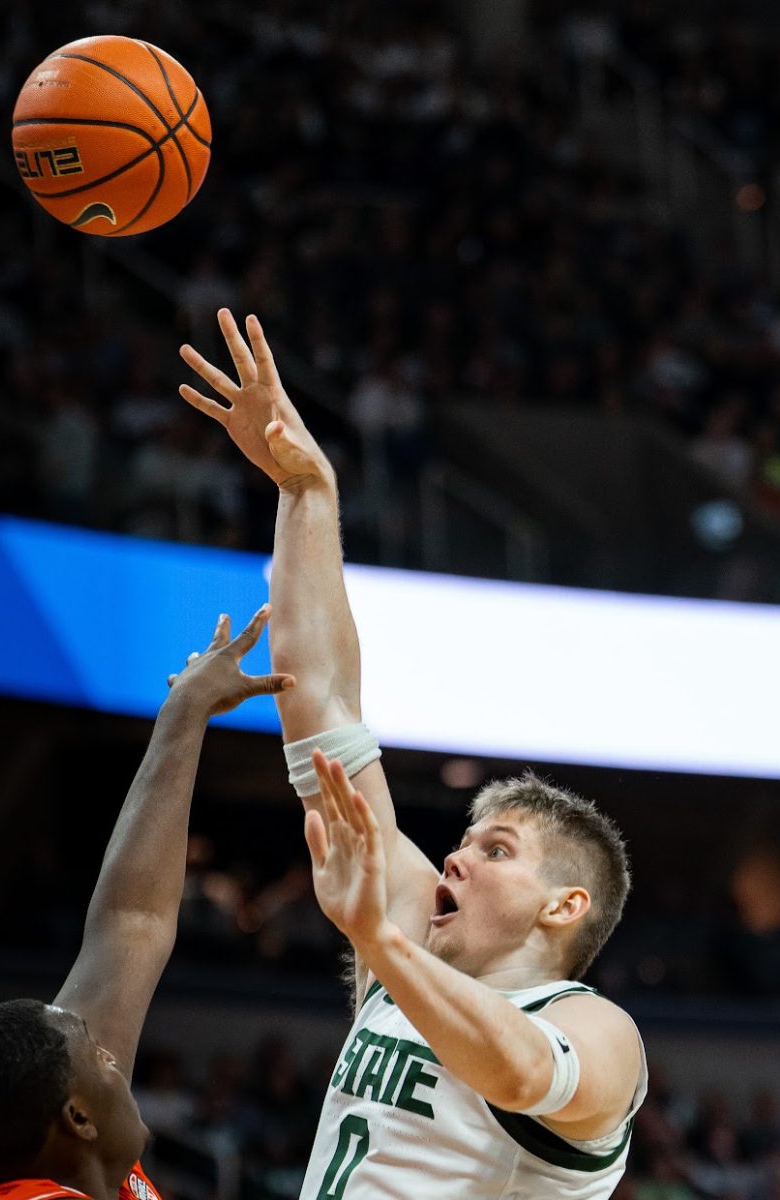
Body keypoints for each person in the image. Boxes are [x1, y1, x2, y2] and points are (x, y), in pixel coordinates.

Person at [179, 308, 648, 1198]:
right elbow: (319, 709)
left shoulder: (597, 1030)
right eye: (469, 840)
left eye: (497, 850)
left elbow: (518, 1074)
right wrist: (305, 494)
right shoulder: (409, 945)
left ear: (564, 906)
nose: (458, 856)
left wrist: (381, 940)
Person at [0, 605, 294, 1200]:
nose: (114, 1055)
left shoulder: (89, 1160)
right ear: (77, 1118)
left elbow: (132, 923)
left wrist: (184, 715)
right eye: (97, 1056)